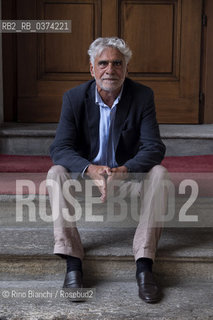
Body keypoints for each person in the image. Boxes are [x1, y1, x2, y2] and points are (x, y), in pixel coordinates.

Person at [47, 37, 169, 303]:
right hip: (88, 179)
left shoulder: (142, 96)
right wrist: (89, 169)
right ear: (92, 69)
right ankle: (73, 263)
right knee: (55, 173)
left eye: (117, 63)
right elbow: (60, 148)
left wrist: (125, 170)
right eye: (103, 63)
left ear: (126, 69)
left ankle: (144, 266)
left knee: (160, 173)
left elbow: (154, 147)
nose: (109, 70)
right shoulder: (74, 98)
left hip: (126, 178)